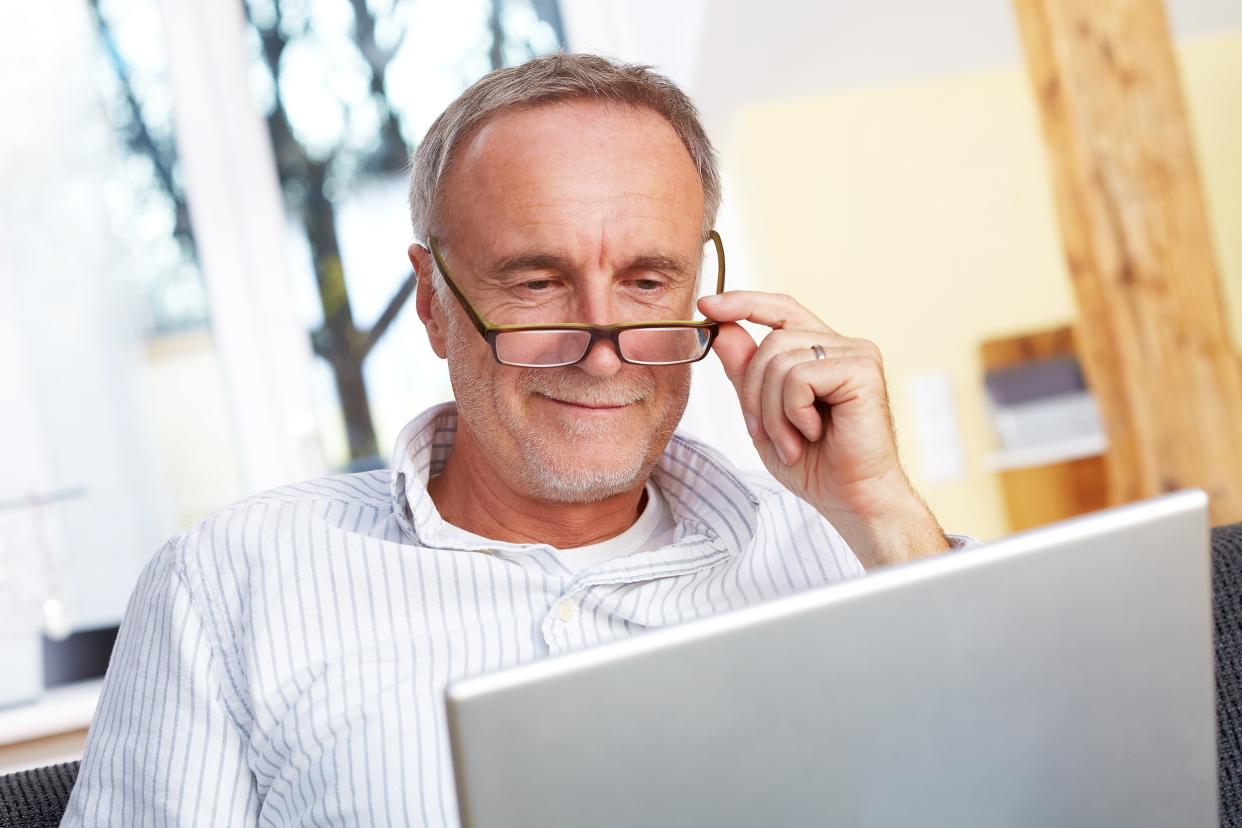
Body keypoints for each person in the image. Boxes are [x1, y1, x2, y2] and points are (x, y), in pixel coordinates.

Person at [62, 53, 970, 827]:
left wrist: (882, 511)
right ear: (432, 301)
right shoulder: (227, 584)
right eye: (537, 284)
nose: (605, 353)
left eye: (650, 281)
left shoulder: (843, 550)